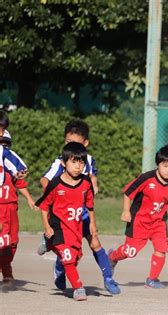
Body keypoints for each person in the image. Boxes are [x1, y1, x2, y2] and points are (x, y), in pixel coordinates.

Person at [37, 119, 120, 295]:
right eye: (68, 142)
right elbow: (45, 179)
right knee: (69, 252)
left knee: (95, 242)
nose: (71, 145)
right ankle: (58, 263)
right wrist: (57, 192)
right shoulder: (62, 160)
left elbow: (91, 177)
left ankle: (108, 278)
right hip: (64, 217)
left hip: (81, 213)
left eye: (76, 142)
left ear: (86, 143)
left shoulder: (87, 160)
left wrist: (94, 186)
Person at [108, 145, 168, 289]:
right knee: (129, 252)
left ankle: (152, 279)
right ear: (158, 164)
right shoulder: (146, 178)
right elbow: (128, 193)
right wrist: (126, 211)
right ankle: (111, 257)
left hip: (158, 223)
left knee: (161, 249)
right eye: (165, 165)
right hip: (139, 222)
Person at [35, 142, 95, 301]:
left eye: (81, 162)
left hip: (75, 227)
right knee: (68, 258)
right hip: (58, 226)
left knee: (76, 257)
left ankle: (48, 243)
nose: (78, 166)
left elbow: (90, 205)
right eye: (74, 161)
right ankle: (78, 288)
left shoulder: (86, 183)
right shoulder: (55, 184)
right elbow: (44, 206)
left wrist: (92, 223)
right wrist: (47, 226)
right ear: (63, 163)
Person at [0, 131, 36, 289]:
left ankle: (6, 268)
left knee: (13, 241)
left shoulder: (11, 169)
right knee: (3, 242)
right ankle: (7, 273)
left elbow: (20, 184)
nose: (3, 147)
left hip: (12, 208)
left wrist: (29, 198)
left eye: (6, 144)